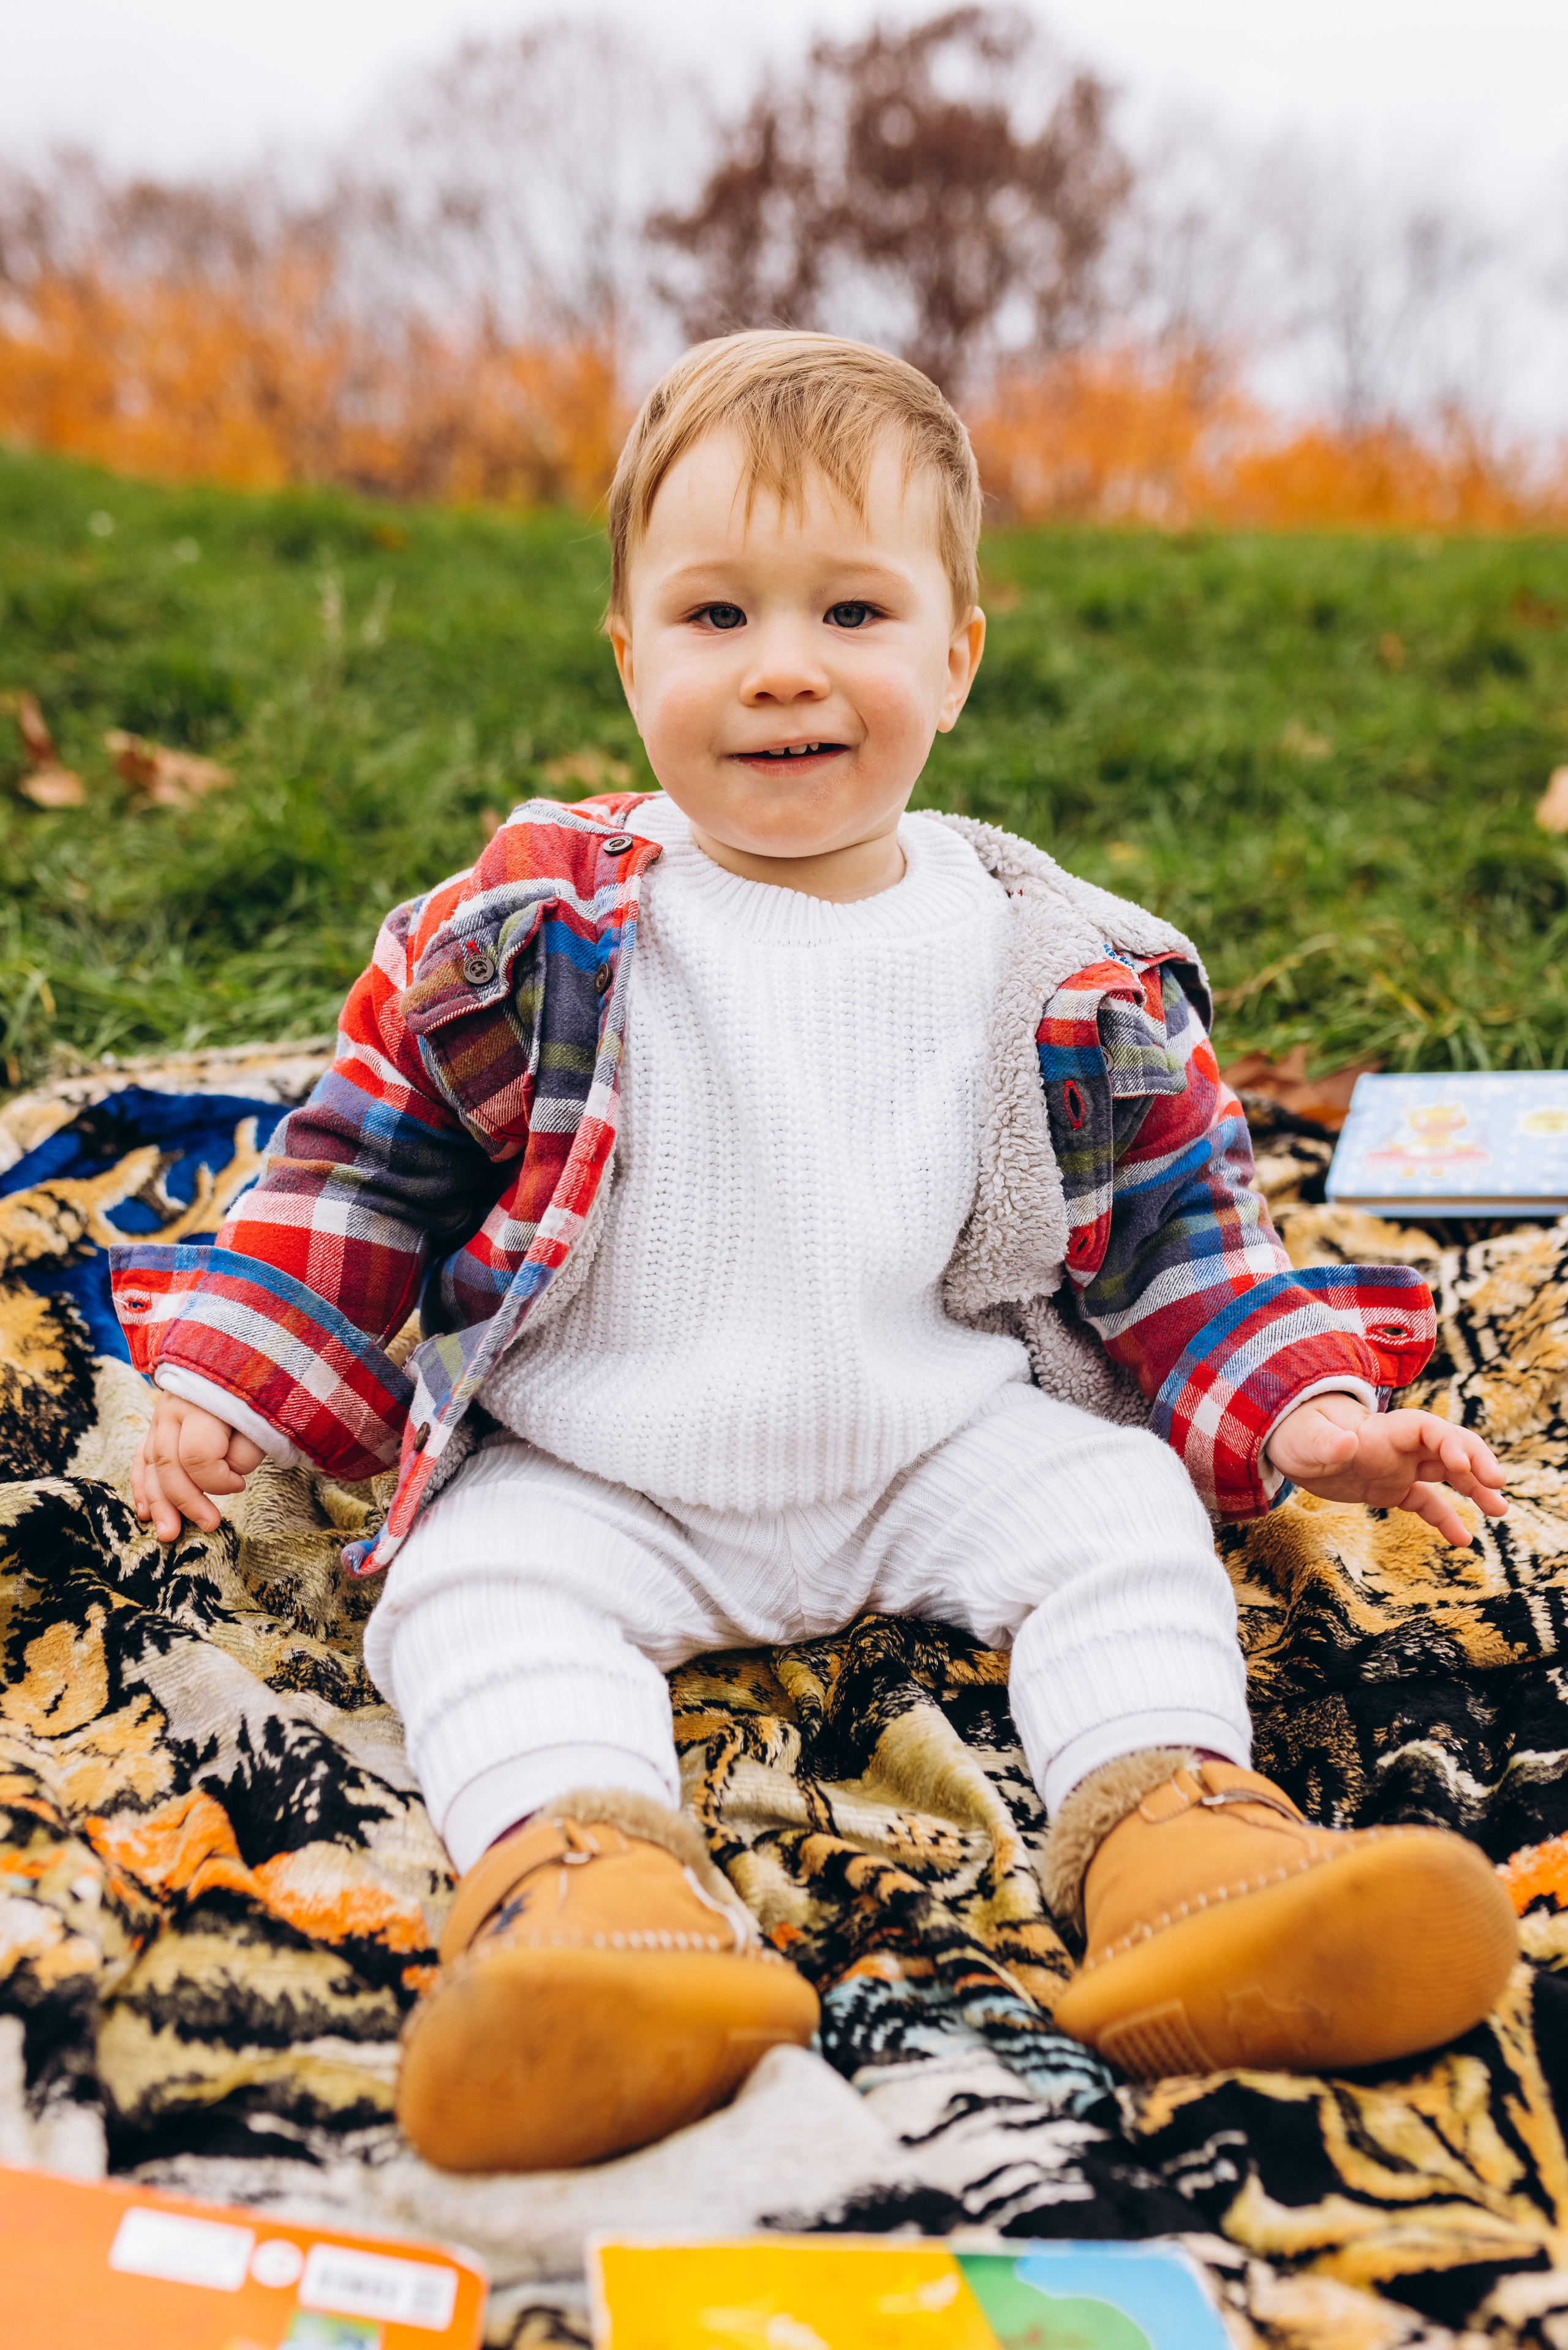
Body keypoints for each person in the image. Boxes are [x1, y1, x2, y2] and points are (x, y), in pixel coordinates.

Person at [112, 331, 1518, 2177]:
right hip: (602, 1463)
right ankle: (592, 1902)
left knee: (1122, 1518)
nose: (783, 666)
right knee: (467, 1594)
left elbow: (1183, 1233)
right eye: (716, 616)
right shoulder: (539, 932)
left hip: (936, 1439)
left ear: (958, 655)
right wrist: (235, 1380)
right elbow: (368, 1163)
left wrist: (1311, 1413)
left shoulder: (1052, 961)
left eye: (854, 611)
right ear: (632, 660)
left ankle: (1185, 1850)